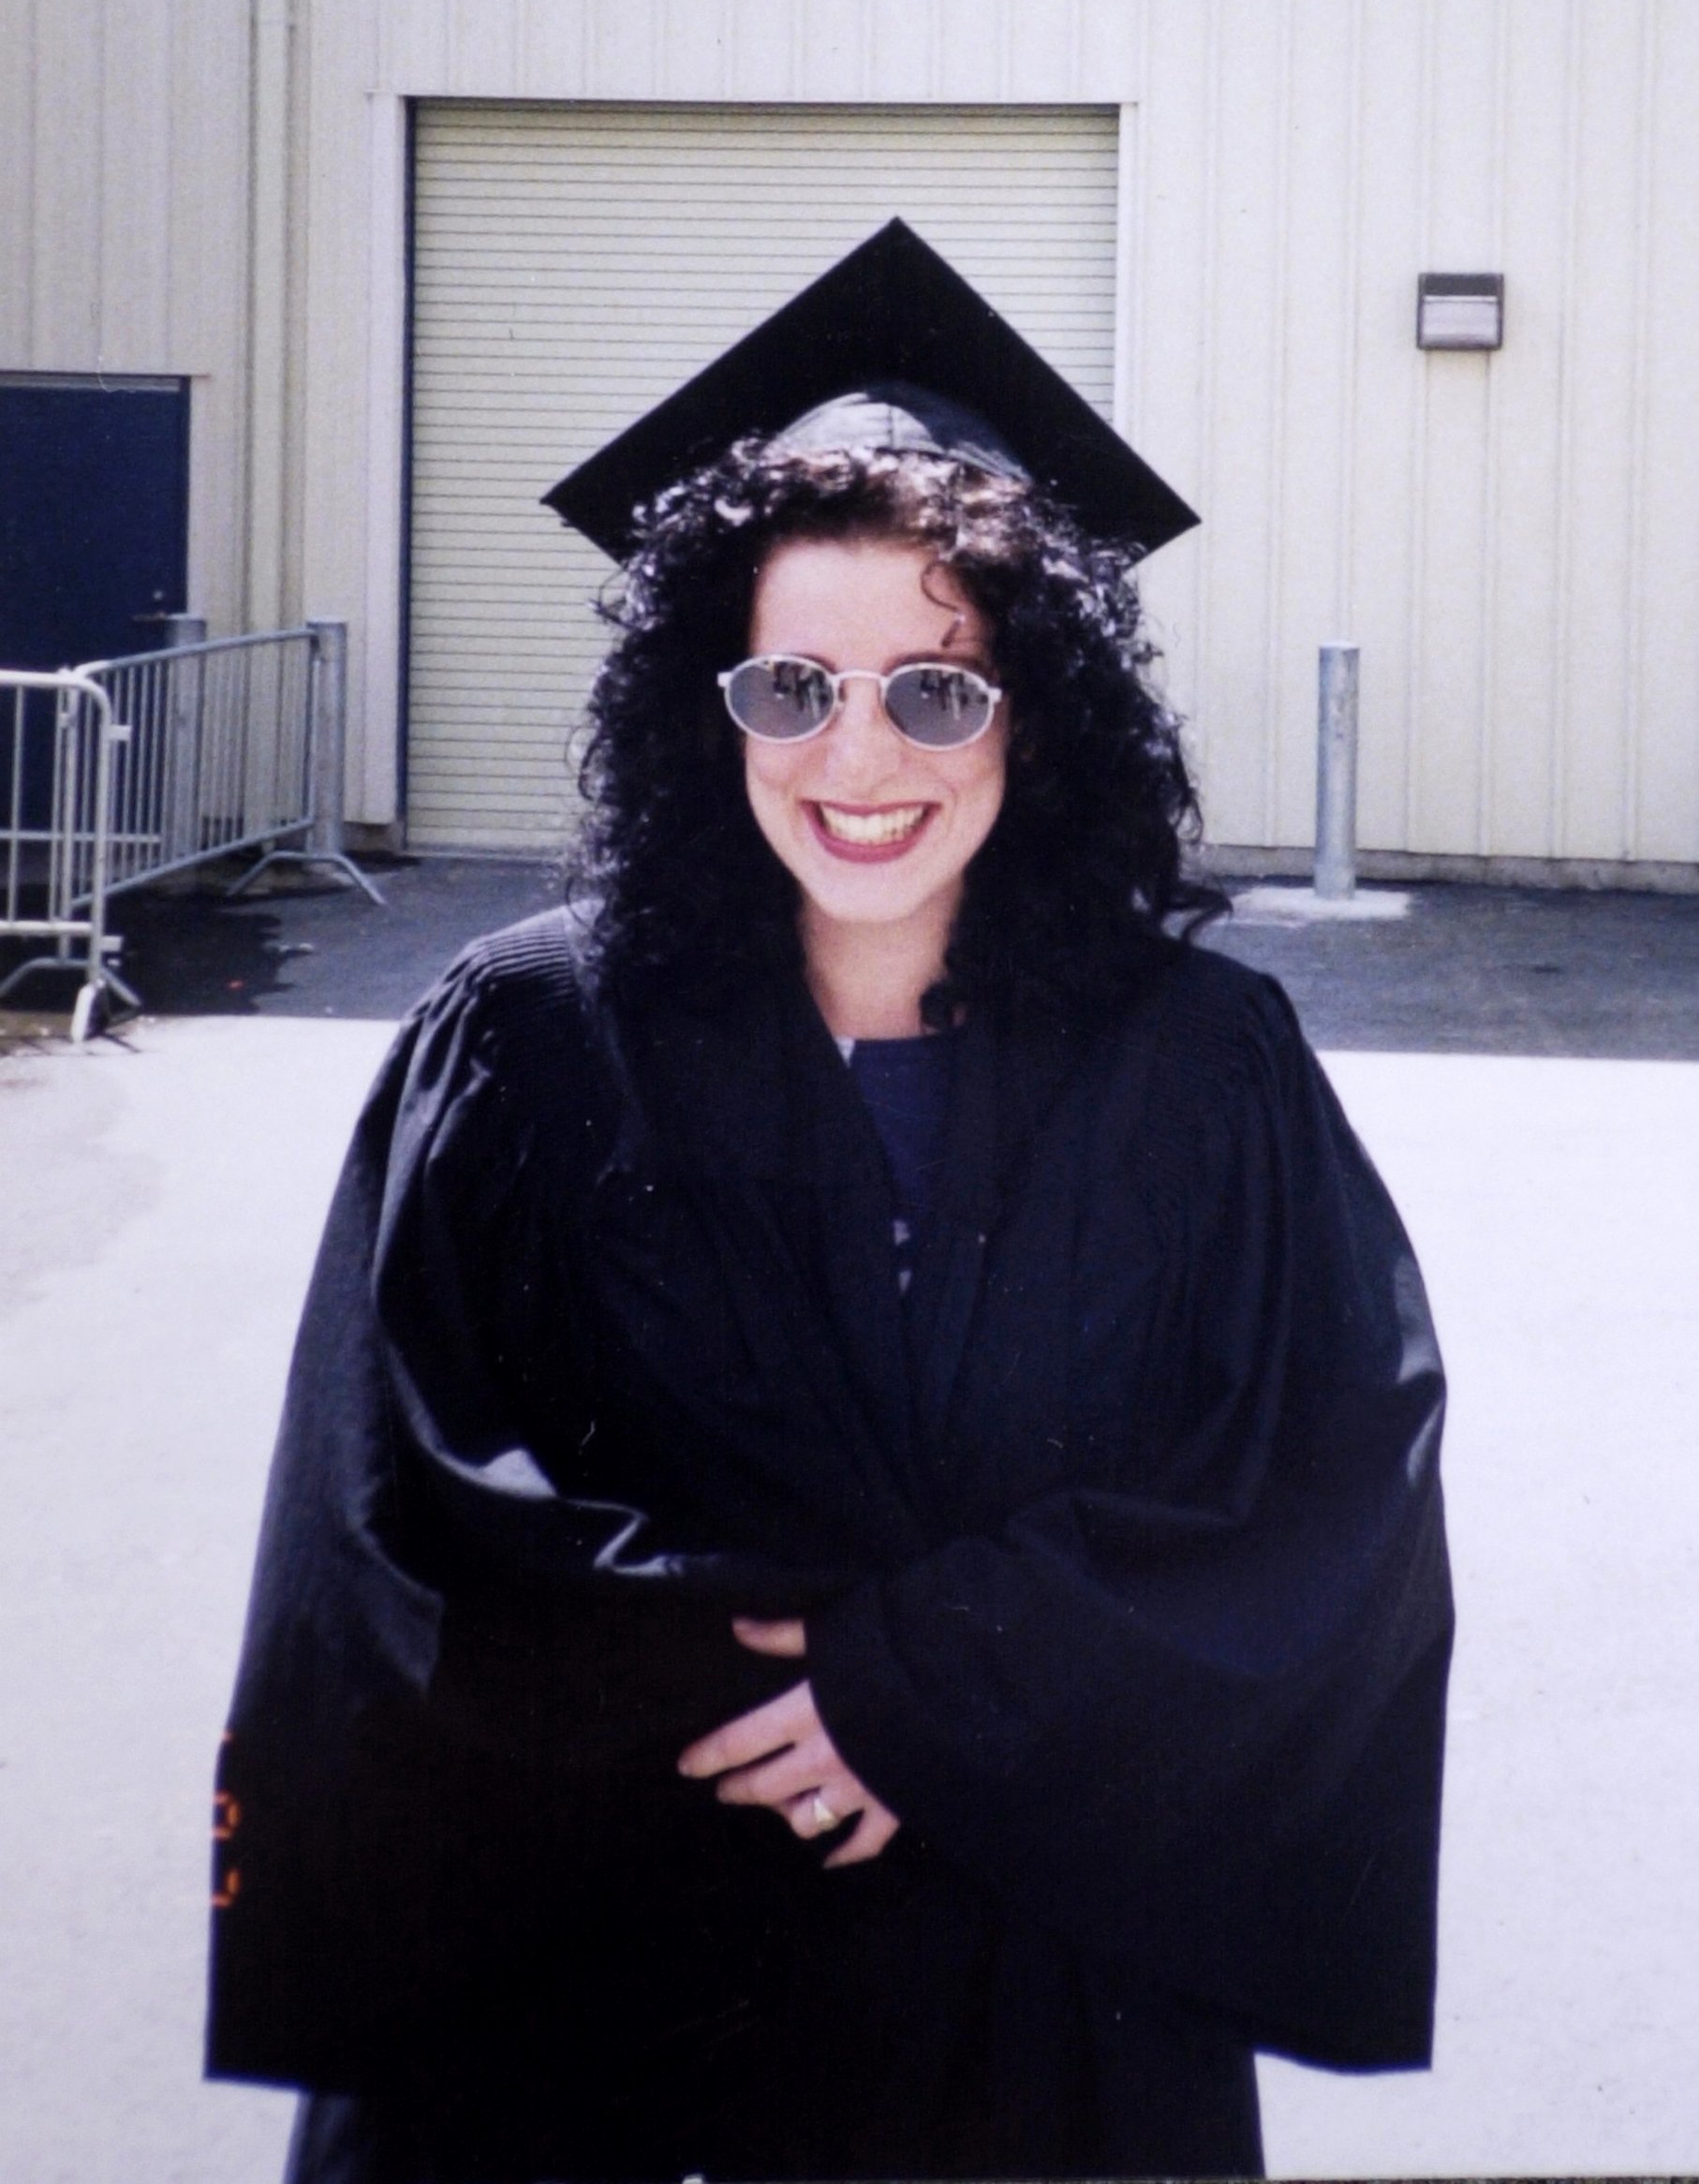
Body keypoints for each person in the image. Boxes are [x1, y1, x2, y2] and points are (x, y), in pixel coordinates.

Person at [207, 224, 1453, 2183]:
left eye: (935, 692)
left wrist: (920, 1693)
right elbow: (398, 1507)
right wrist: (746, 1693)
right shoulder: (531, 1038)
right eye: (791, 684)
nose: (855, 756)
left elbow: (1322, 1485)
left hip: (1028, 1965)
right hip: (598, 1959)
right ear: (709, 709)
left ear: (1034, 715)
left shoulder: (1197, 1062)